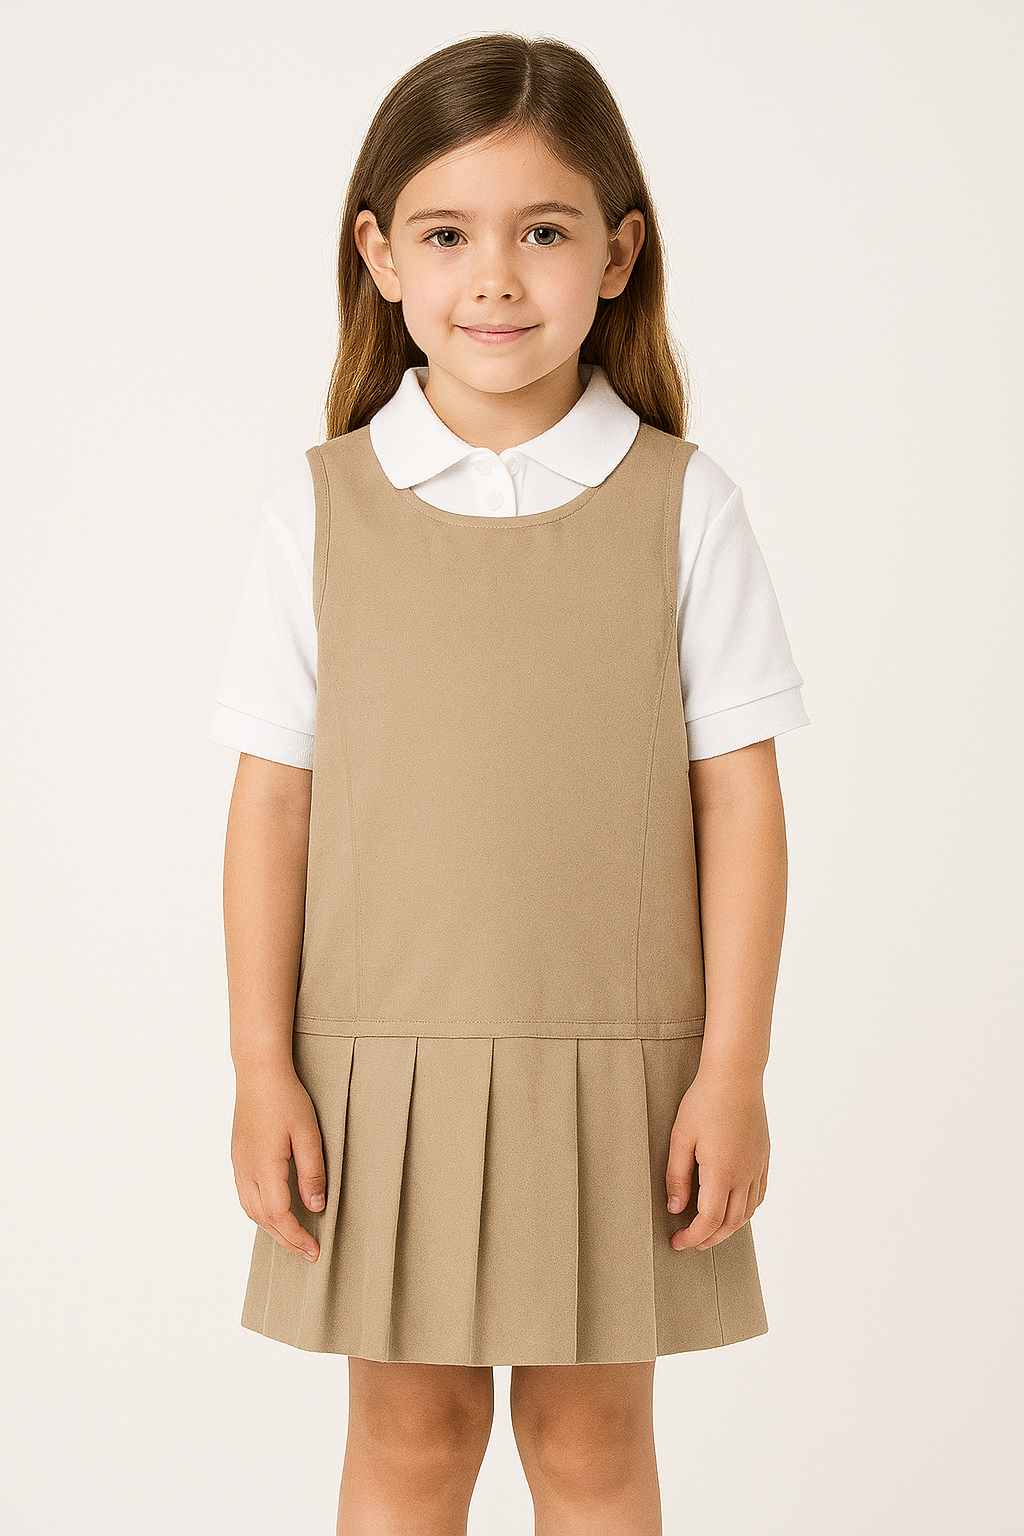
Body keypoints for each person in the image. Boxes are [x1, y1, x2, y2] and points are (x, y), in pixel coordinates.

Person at [208, 31, 809, 1536]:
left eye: (542, 232)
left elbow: (739, 803)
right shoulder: (320, 510)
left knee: (592, 1445)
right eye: (446, 236)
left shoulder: (684, 504)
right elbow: (272, 805)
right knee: (410, 1439)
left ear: (618, 254)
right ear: (378, 257)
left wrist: (732, 1070)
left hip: (620, 1071)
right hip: (381, 1068)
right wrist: (263, 1066)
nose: (495, 278)